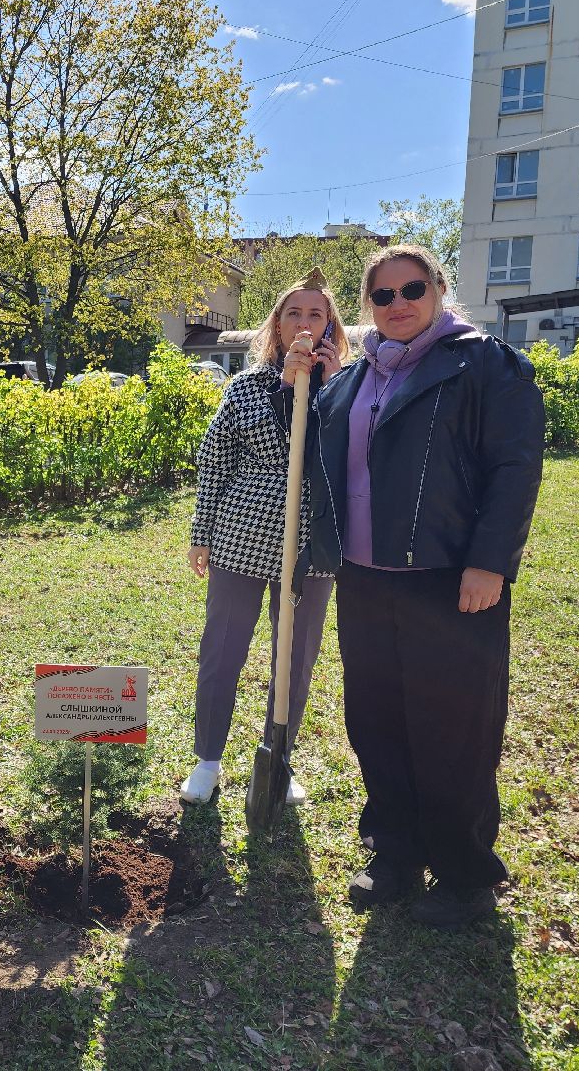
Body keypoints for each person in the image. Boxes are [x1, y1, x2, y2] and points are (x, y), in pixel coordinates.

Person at [284, 243, 545, 929]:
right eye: (382, 295)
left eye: (412, 290)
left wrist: (491, 562)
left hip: (451, 582)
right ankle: (394, 854)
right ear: (368, 305)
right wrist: (297, 387)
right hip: (366, 580)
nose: (398, 305)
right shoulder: (350, 381)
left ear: (438, 289)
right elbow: (315, 463)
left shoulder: (484, 364)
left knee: (454, 730)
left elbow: (514, 468)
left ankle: (465, 879)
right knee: (378, 723)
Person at [182, 267, 350, 807]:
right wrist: (201, 533)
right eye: (293, 313)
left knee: (296, 658)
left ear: (330, 327)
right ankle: (208, 759)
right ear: (277, 326)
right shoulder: (246, 389)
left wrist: (324, 387)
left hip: (313, 547)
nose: (304, 323)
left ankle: (278, 755)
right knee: (222, 650)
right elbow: (215, 462)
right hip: (242, 538)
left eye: (316, 314)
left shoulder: (348, 391)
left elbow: (351, 459)